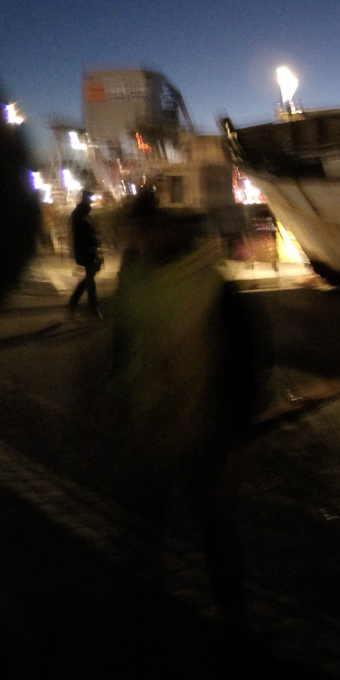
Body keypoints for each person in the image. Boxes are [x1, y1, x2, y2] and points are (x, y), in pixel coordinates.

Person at [105, 189, 268, 630]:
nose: (145, 239)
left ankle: (232, 615)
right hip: (147, 425)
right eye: (140, 231)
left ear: (177, 232)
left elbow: (244, 364)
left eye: (154, 229)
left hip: (204, 430)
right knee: (144, 521)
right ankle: (142, 603)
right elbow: (124, 346)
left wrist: (235, 440)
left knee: (214, 528)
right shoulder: (133, 278)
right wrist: (119, 401)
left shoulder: (213, 286)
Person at [67, 192, 102, 318]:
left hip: (89, 251)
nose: (91, 202)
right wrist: (91, 247)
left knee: (89, 279)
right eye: (90, 199)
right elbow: (81, 236)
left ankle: (73, 306)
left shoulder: (85, 214)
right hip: (85, 252)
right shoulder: (79, 215)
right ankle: (93, 310)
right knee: (90, 281)